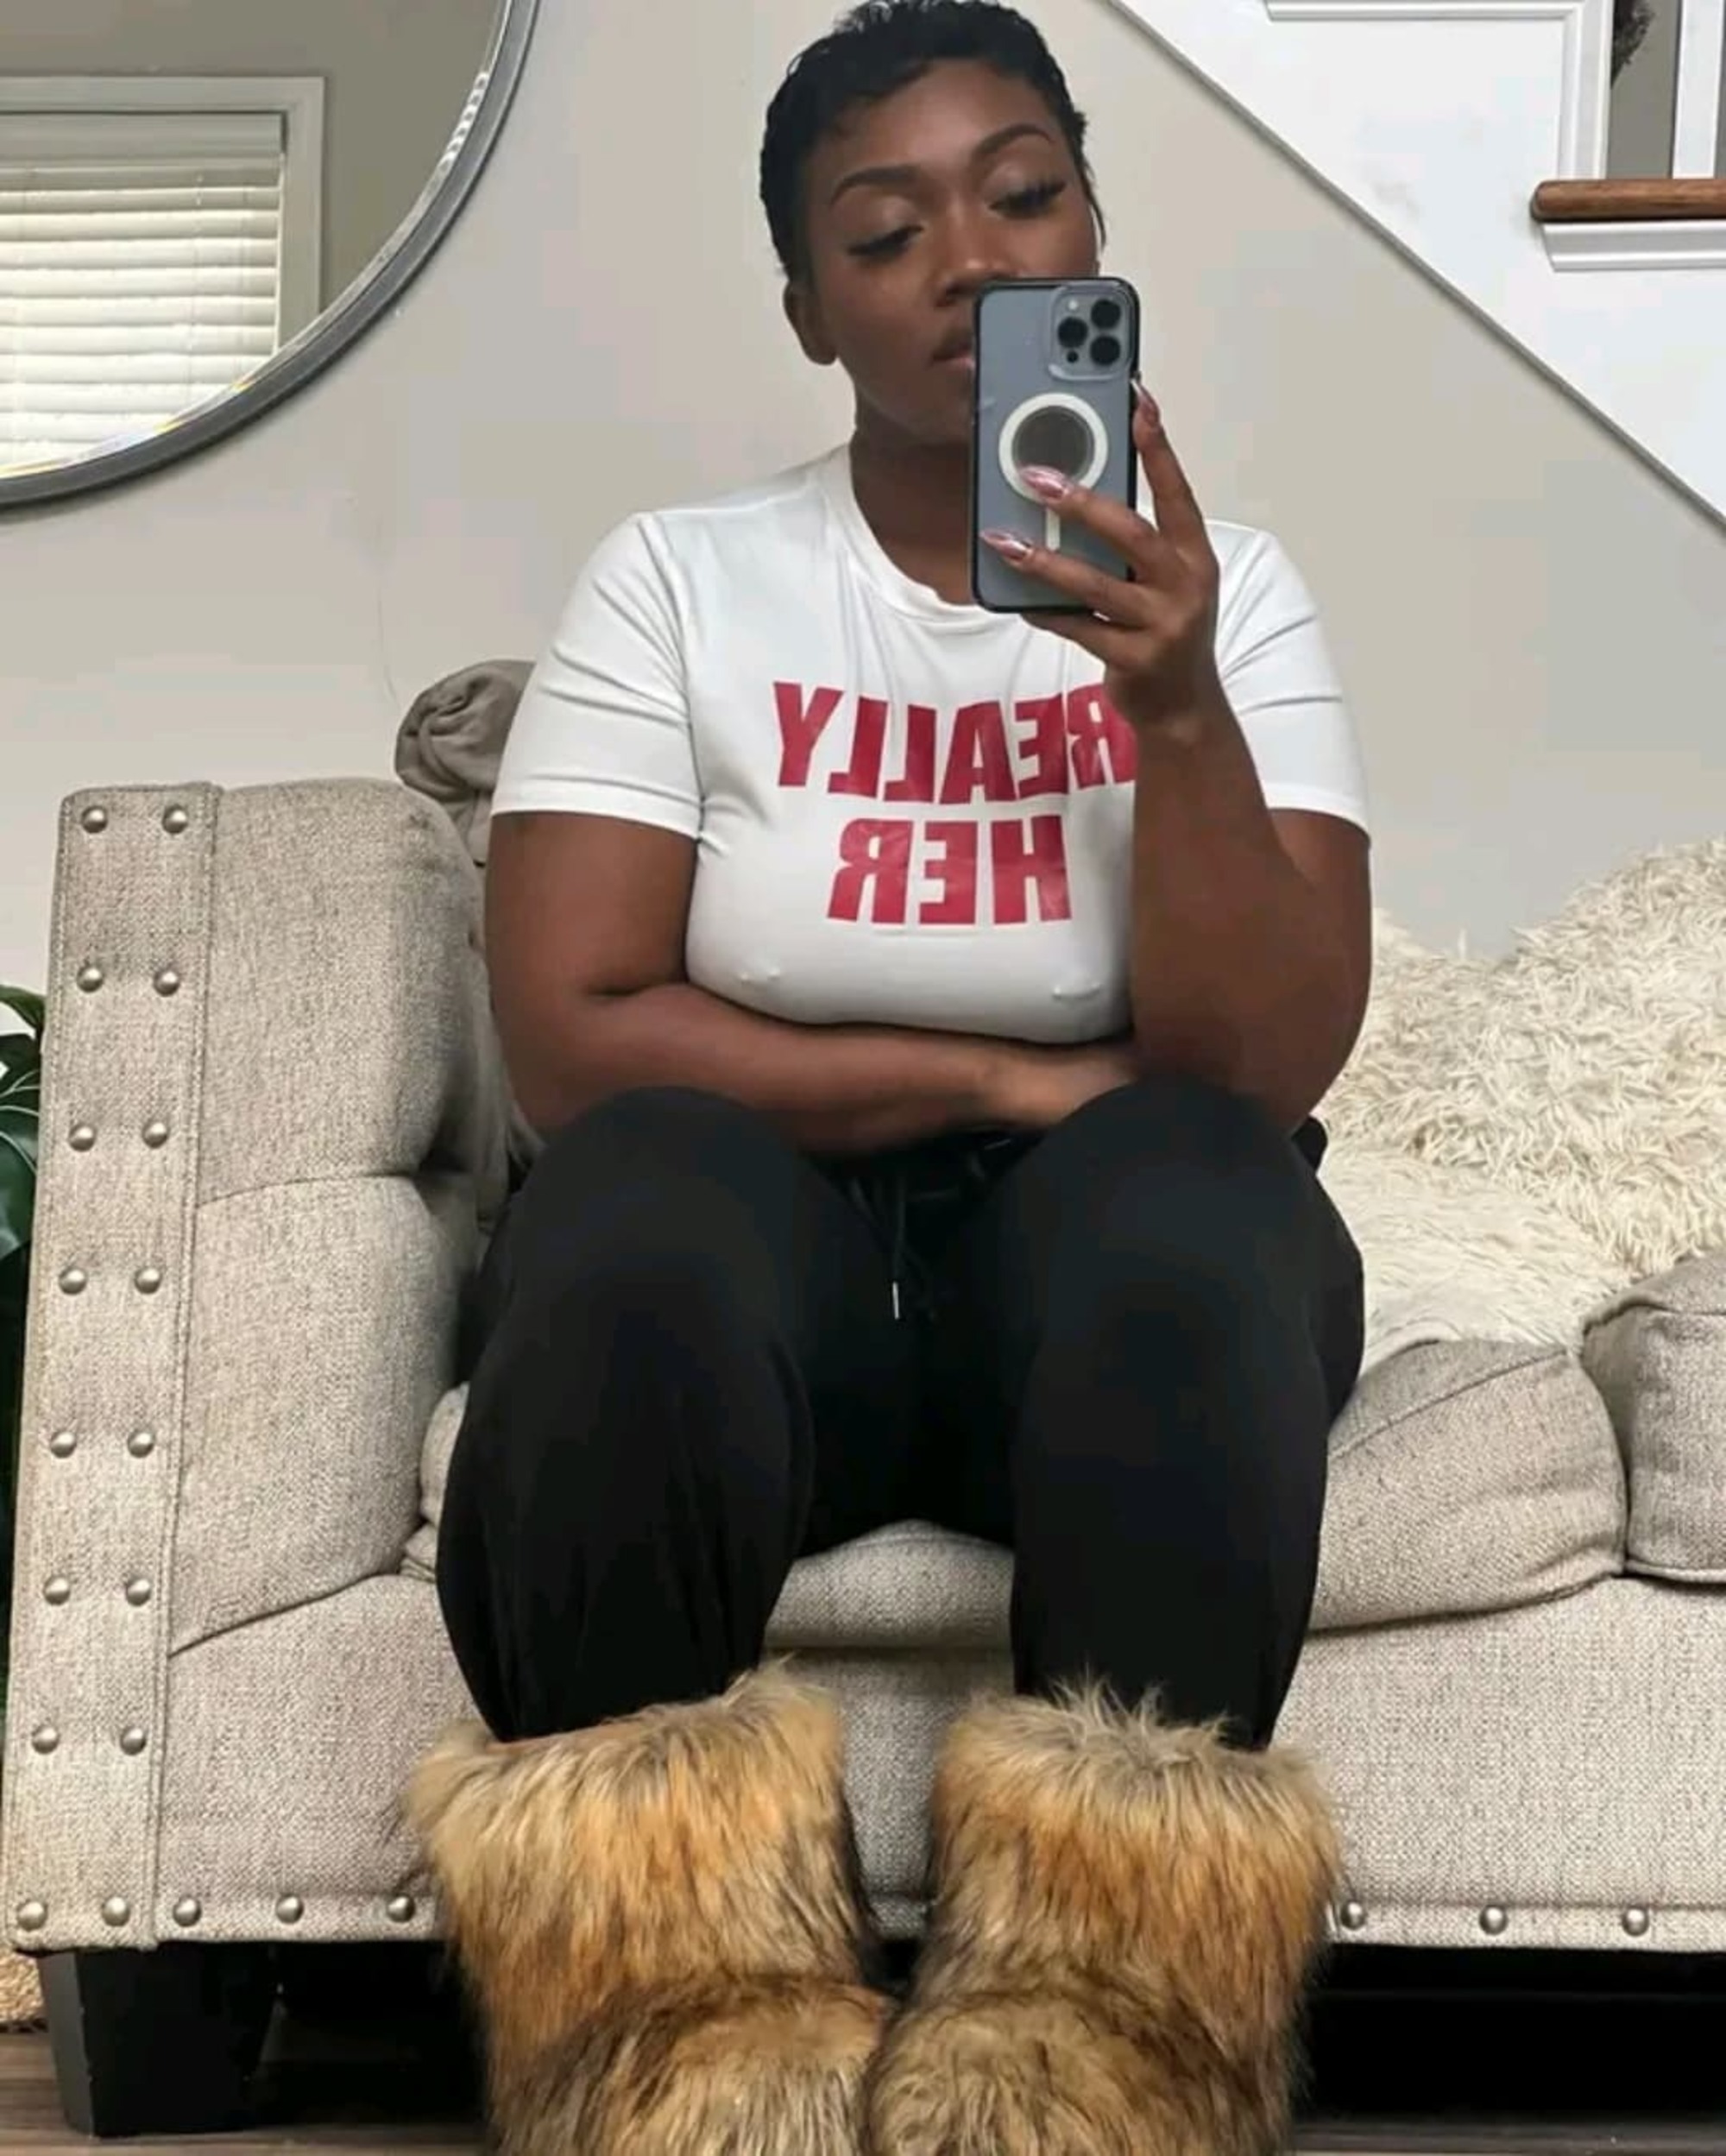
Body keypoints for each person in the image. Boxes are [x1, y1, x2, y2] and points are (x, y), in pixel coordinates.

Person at [406, 3, 1370, 2151]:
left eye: (1023, 197)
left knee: (1190, 1190)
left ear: (1091, 233)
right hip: (781, 1286)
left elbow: (1255, 1065)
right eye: (884, 231)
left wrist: (1178, 710)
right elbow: (574, 1033)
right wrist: (1010, 1082)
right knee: (636, 1195)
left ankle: (1095, 2061)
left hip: (1108, 1296)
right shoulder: (682, 582)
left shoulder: (1236, 605)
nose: (968, 261)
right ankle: (679, 2054)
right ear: (807, 307)